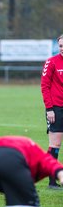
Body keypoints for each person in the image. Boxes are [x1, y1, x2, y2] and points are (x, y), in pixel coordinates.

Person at [41, 34, 63, 190]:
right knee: (55, 144)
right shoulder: (52, 62)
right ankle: (52, 181)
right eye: (61, 46)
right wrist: (49, 109)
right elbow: (45, 86)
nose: (62, 48)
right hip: (56, 107)